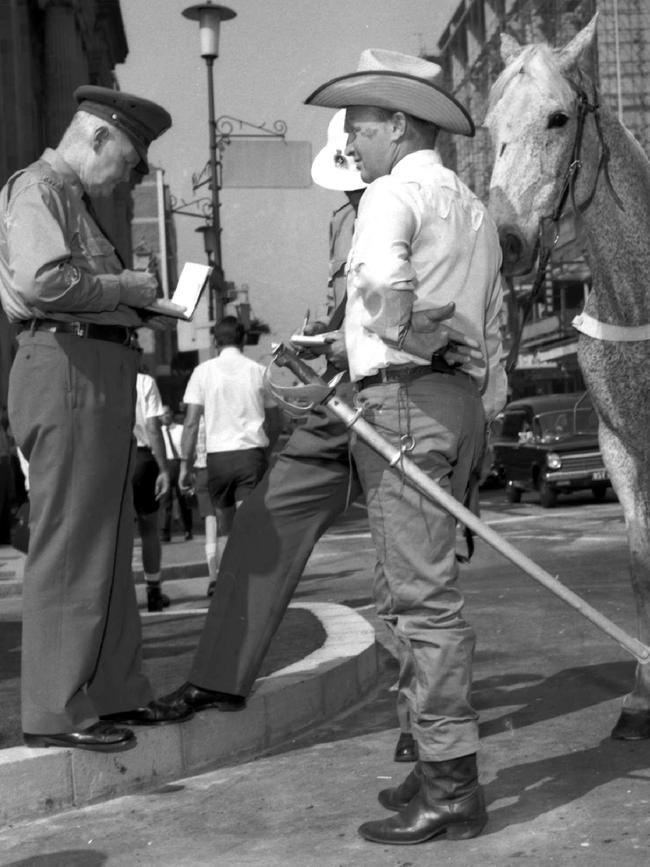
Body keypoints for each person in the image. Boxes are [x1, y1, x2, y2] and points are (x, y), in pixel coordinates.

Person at [160, 106, 482, 774]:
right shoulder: (354, 214)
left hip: (407, 396)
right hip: (347, 394)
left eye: (358, 162)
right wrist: (331, 340)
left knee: (408, 579)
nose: (351, 185)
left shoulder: (425, 201)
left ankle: (424, 734)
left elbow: (456, 324)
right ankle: (220, 674)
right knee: (266, 519)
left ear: (393, 136)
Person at [302, 50, 507, 845]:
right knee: (411, 592)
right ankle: (430, 766)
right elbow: (487, 326)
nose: (351, 144)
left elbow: (384, 290)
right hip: (453, 405)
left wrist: (400, 334)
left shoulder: (391, 193)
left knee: (421, 603)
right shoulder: (472, 205)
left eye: (359, 129)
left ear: (397, 124)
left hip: (404, 402)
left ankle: (453, 787)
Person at [0, 85, 193, 752]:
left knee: (106, 543)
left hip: (92, 367)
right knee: (72, 543)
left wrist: (137, 305)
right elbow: (42, 283)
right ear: (97, 138)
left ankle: (113, 689)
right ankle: (53, 709)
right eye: (129, 160)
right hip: (67, 368)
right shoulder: (40, 188)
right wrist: (127, 289)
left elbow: (76, 289)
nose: (129, 176)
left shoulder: (70, 199)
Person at [178, 317, 281, 598]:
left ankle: (226, 582)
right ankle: (253, 584)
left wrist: (185, 465)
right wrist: (265, 450)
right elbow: (276, 419)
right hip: (250, 455)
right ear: (243, 339)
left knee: (226, 529)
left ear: (215, 342)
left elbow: (190, 424)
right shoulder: (258, 371)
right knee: (250, 523)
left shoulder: (202, 372)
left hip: (217, 459)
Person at [133, 365, 171, 612]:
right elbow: (153, 428)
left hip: (108, 459)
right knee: (149, 528)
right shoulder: (144, 381)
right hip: (141, 457)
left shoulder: (100, 374)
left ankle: (119, 593)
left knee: (116, 532)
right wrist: (164, 468)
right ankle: (153, 591)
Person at [160, 405, 194, 543]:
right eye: (162, 414)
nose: (165, 416)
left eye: (167, 412)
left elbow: (187, 447)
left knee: (183, 500)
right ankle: (165, 532)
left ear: (171, 414)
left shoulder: (180, 429)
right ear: (159, 417)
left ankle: (188, 529)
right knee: (165, 502)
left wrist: (189, 468)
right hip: (165, 465)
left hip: (179, 464)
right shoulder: (158, 432)